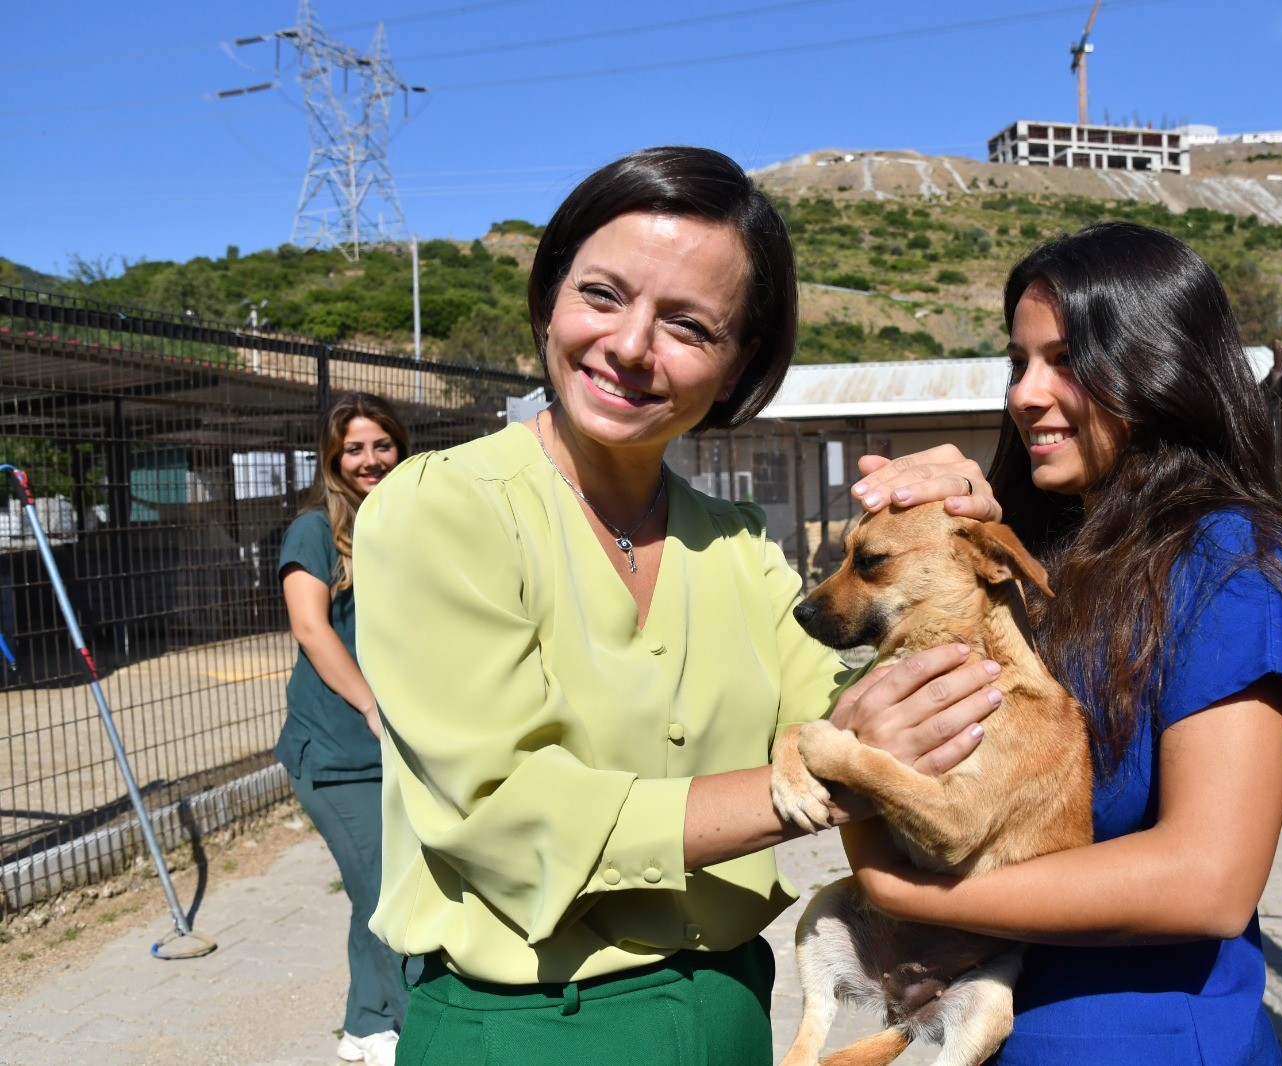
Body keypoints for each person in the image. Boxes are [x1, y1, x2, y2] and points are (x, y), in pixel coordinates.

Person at [349, 145, 1002, 1065]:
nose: (628, 345)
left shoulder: (735, 543)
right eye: (604, 295)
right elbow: (508, 810)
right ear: (549, 299)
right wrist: (817, 783)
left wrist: (953, 547)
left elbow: (858, 709)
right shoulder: (441, 509)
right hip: (533, 1027)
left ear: (738, 368)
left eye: (689, 326)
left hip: (733, 1012)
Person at [837, 220, 1282, 1064]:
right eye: (1019, 362)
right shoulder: (1058, 548)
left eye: (1068, 360)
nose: (1025, 393)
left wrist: (909, 891)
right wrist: (958, 526)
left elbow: (1208, 880)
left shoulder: (1230, 566)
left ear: (1161, 367)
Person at [278, 391, 413, 1066]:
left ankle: (366, 1026)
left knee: (373, 887)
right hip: (336, 751)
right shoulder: (314, 529)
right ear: (333, 457)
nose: (370, 460)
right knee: (391, 892)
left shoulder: (398, 519)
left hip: (392, 747)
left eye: (381, 445)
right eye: (354, 448)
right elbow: (310, 627)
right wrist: (369, 705)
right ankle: (425, 1035)